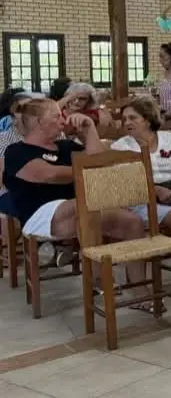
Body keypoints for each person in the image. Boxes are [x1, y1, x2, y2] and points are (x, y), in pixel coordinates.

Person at [2, 99, 146, 287]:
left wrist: (89, 128)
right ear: (40, 122)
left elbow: (98, 163)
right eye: (57, 116)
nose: (63, 121)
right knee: (87, 209)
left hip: (81, 210)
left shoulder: (65, 146)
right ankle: (99, 279)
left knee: (132, 221)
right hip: (40, 216)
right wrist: (85, 169)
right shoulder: (16, 151)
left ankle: (139, 286)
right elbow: (49, 175)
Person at [111, 97, 171, 291]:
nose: (127, 122)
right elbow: (124, 181)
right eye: (125, 119)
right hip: (141, 198)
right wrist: (155, 189)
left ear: (148, 120)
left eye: (133, 118)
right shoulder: (121, 146)